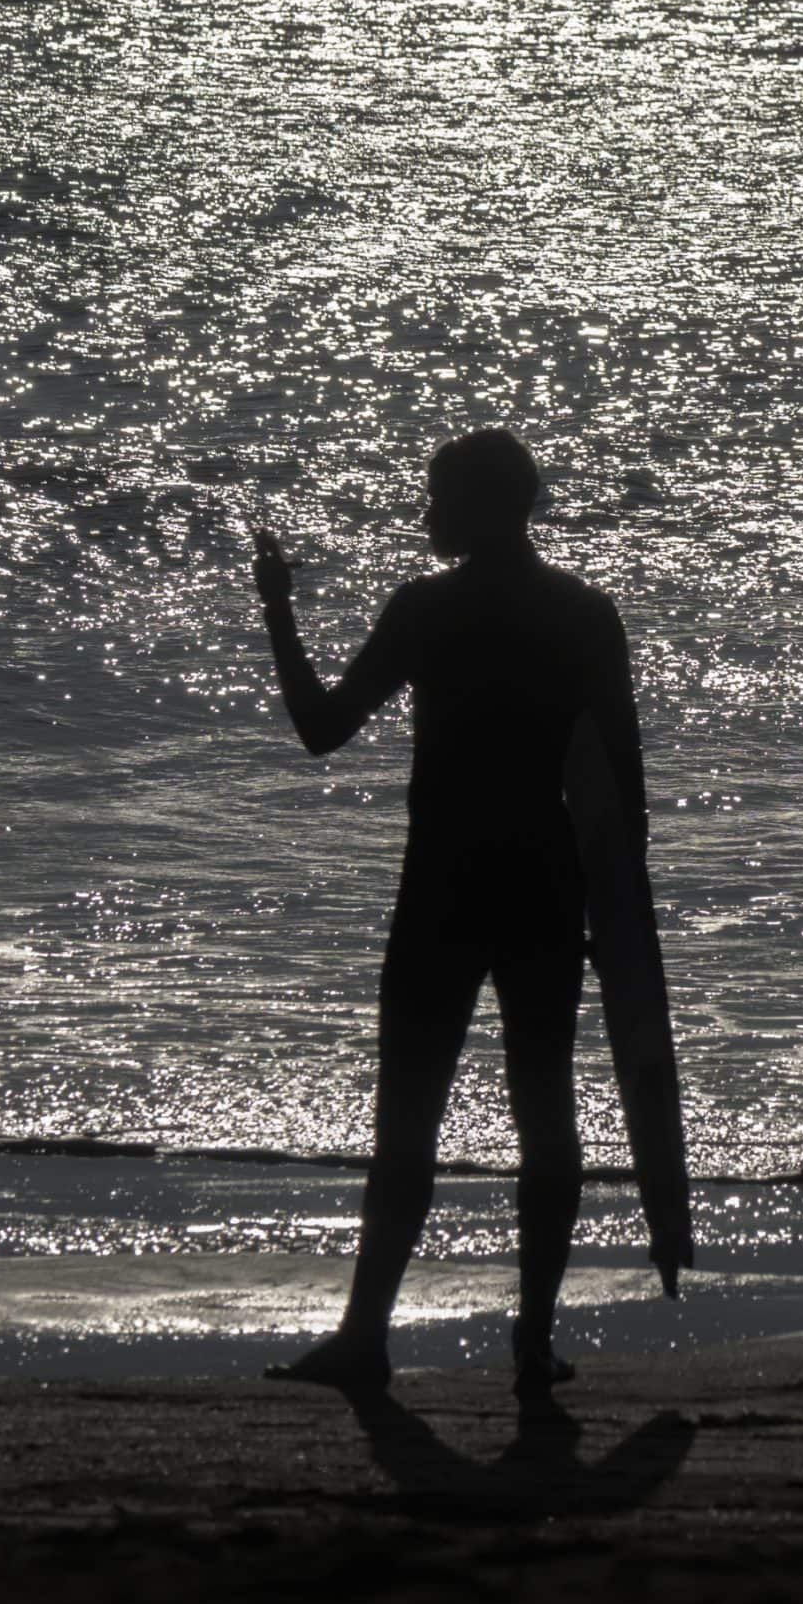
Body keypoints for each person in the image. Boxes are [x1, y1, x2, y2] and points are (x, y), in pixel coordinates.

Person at [253, 429, 647, 1397]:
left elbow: (320, 730)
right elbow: (624, 791)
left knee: (408, 1119)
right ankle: (530, 1346)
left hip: (442, 885)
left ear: (476, 505)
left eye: (437, 497)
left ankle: (363, 1339)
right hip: (545, 886)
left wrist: (276, 610)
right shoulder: (585, 614)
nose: (426, 514)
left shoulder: (427, 609)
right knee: (544, 1113)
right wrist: (617, 926)